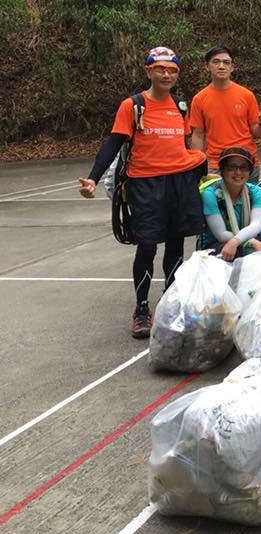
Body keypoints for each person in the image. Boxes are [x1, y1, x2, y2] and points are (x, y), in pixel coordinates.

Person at [79, 46, 207, 338]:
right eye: (160, 68)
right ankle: (141, 308)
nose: (166, 74)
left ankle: (171, 304)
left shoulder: (181, 106)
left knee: (176, 244)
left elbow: (185, 145)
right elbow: (113, 143)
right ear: (148, 71)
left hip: (179, 182)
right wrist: (93, 178)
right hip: (145, 184)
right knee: (147, 245)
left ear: (177, 74)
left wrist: (199, 165)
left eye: (172, 69)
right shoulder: (133, 105)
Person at [189, 46, 261, 181]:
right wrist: (198, 164)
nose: (221, 66)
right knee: (214, 202)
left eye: (226, 62)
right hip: (215, 164)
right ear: (207, 66)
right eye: (216, 62)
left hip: (246, 162)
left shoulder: (246, 95)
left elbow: (256, 133)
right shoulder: (199, 99)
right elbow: (198, 135)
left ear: (232, 67)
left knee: (248, 201)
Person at [197, 147, 261, 260]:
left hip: (241, 241)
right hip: (213, 244)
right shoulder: (210, 193)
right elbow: (221, 234)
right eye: (232, 167)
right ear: (222, 170)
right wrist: (251, 241)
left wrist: (236, 241)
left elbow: (256, 226)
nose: (238, 172)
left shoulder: (255, 192)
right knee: (238, 252)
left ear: (249, 171)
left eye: (243, 167)